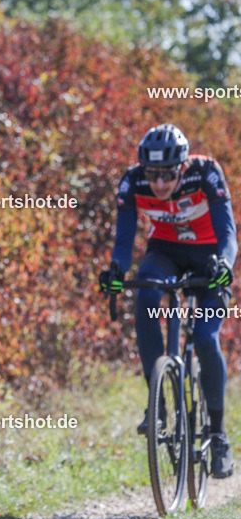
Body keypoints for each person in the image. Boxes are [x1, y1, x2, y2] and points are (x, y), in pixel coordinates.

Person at [100, 123, 236, 478]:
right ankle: (157, 404)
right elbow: (124, 238)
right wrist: (116, 270)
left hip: (210, 256)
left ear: (183, 166)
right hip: (166, 252)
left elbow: (227, 232)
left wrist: (224, 265)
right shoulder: (133, 182)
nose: (159, 184)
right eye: (152, 174)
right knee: (145, 296)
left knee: (205, 338)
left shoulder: (206, 173)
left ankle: (218, 435)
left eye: (168, 175)